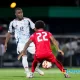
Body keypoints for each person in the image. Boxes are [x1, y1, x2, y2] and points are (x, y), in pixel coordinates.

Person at [4, 7, 44, 78]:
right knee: (24, 55)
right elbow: (9, 33)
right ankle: (27, 72)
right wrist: (6, 43)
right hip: (20, 43)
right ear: (15, 14)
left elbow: (35, 29)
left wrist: (41, 36)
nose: (21, 14)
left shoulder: (27, 20)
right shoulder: (13, 23)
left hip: (29, 41)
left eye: (21, 12)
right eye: (19, 13)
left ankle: (36, 68)